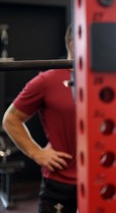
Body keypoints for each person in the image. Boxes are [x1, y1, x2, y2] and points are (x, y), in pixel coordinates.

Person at [2, 25, 77, 213]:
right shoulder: (47, 80)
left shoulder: (106, 82)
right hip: (61, 182)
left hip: (101, 179)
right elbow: (11, 119)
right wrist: (37, 153)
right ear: (74, 45)